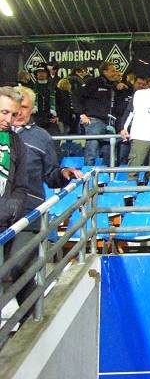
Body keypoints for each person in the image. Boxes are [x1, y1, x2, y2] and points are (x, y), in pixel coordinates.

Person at [0, 87, 31, 317]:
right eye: (4, 113)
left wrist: (13, 207)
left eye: (13, 114)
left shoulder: (16, 142)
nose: (8, 120)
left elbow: (21, 185)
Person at [77, 62, 129, 166]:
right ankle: (88, 174)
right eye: (113, 71)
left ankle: (106, 175)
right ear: (105, 72)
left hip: (110, 123)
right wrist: (81, 114)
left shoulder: (114, 86)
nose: (115, 73)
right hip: (94, 121)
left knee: (108, 152)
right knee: (92, 150)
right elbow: (76, 95)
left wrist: (123, 85)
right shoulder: (93, 82)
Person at [31, 66, 58, 133]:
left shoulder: (54, 87)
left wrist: (58, 116)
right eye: (39, 72)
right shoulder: (31, 88)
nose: (41, 74)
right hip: (36, 117)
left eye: (43, 72)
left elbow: (60, 102)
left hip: (51, 118)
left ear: (47, 74)